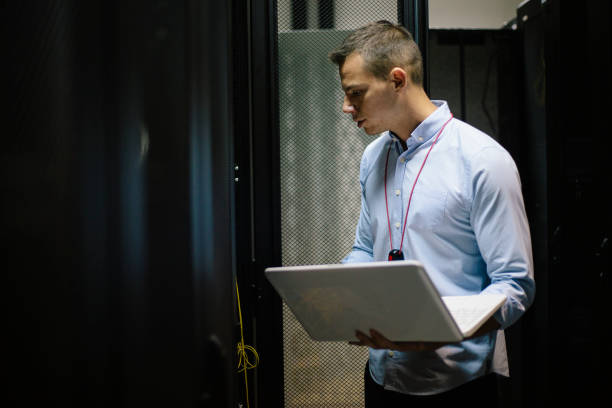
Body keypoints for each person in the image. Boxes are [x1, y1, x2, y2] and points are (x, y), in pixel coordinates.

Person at [328, 21, 535, 407]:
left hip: (457, 385)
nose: (346, 107)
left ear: (397, 79)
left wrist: (440, 329)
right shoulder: (373, 157)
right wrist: (342, 292)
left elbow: (514, 286)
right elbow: (365, 247)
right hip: (382, 377)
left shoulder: (483, 161)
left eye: (355, 93)